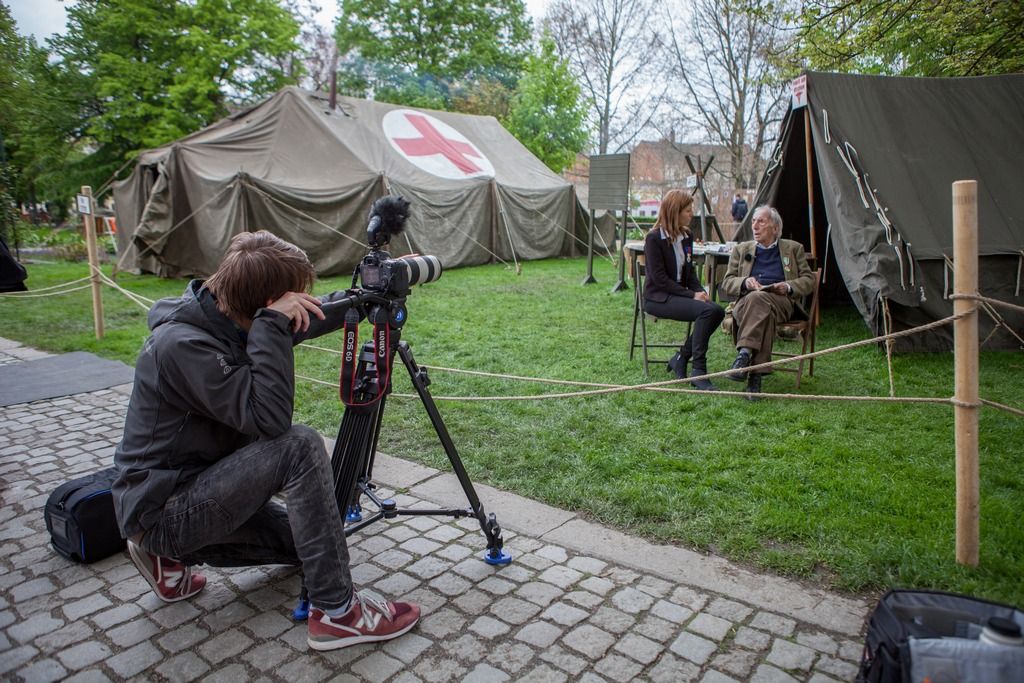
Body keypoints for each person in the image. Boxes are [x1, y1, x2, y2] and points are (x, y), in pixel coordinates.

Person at [112, 230, 420, 651]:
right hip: (163, 510)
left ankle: (165, 560)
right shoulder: (183, 346)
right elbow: (270, 420)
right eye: (287, 302)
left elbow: (305, 317)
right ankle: (338, 614)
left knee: (308, 545)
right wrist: (274, 324)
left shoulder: (225, 316)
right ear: (264, 307)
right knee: (299, 445)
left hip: (198, 487)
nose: (292, 310)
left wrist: (366, 298)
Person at [719, 206, 814, 398]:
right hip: (746, 303)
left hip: (781, 301)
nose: (755, 226)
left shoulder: (793, 249)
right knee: (759, 303)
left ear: (775, 228)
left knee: (760, 300)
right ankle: (754, 378)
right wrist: (745, 282)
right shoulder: (741, 250)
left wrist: (787, 286)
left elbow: (809, 280)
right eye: (753, 221)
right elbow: (727, 282)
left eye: (761, 221)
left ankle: (744, 355)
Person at [643, 189, 725, 391]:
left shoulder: (686, 236)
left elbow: (690, 275)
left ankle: (681, 357)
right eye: (687, 210)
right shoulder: (653, 239)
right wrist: (692, 295)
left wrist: (699, 291)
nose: (691, 214)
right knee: (707, 311)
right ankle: (698, 371)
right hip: (659, 298)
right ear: (674, 211)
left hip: (679, 295)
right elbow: (659, 280)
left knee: (717, 310)